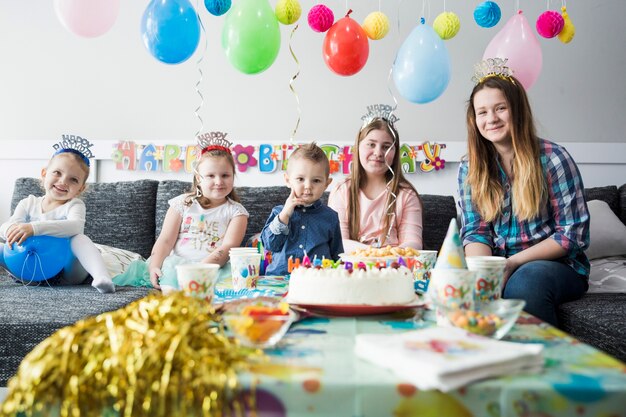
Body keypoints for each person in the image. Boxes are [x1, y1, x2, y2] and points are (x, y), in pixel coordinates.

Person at [458, 58, 590, 326]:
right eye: (482, 112)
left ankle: (541, 363)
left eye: (500, 108)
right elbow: (476, 231)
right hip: (499, 264)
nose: (491, 118)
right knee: (459, 288)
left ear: (517, 110)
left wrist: (512, 263)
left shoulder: (553, 158)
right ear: (474, 119)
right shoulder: (470, 167)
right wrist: (484, 276)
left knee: (524, 283)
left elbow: (571, 235)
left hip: (557, 267)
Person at [114, 137, 249, 290]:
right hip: (177, 265)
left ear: (233, 176)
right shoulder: (183, 204)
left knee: (231, 281)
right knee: (170, 269)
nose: (219, 181)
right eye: (211, 175)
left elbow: (228, 246)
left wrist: (201, 269)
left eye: (225, 175)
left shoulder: (237, 212)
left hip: (214, 267)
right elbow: (165, 240)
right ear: (199, 178)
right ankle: (174, 302)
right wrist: (154, 266)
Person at [0, 146, 115, 293]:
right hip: (27, 272)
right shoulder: (28, 203)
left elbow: (76, 226)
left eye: (73, 179)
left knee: (79, 238)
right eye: (57, 173)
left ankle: (102, 278)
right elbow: (6, 227)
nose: (63, 181)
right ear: (44, 173)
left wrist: (34, 228)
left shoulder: (74, 205)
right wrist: (11, 229)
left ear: (80, 188)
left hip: (66, 274)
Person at [328, 106, 423, 253]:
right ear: (358, 147)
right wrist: (374, 253)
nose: (378, 153)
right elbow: (339, 242)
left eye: (386, 147)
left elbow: (414, 243)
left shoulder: (406, 194)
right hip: (352, 270)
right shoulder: (342, 191)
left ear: (395, 153)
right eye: (371, 144)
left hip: (394, 268)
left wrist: (387, 255)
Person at [261, 142, 343, 275]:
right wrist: (284, 216)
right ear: (288, 180)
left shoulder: (331, 217)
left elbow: (337, 256)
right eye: (300, 179)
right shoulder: (279, 213)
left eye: (316, 180)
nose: (308, 186)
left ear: (327, 184)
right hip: (280, 279)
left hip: (318, 280)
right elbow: (270, 245)